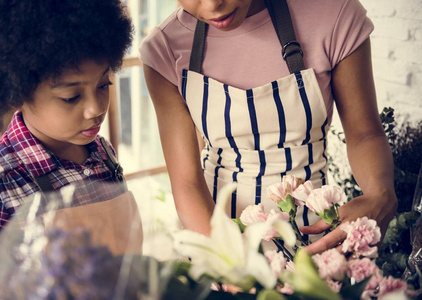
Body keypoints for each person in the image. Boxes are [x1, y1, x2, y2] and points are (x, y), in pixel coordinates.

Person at [139, 0, 397, 254]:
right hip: (215, 238)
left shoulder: (334, 13)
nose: (213, 4)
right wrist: (230, 266)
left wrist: (380, 194)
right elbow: (186, 182)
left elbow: (365, 133)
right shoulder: (165, 48)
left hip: (317, 241)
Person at [0, 0, 142, 253]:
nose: (96, 108)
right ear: (16, 92)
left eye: (103, 85)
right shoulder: (6, 181)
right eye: (71, 97)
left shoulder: (102, 151)